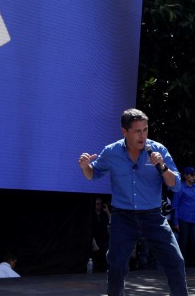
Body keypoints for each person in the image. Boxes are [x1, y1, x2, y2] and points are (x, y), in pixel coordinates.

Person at [77, 108, 187, 296]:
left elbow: (175, 185)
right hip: (123, 217)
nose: (142, 135)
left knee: (176, 262)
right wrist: (84, 167)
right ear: (124, 132)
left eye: (145, 130)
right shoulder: (111, 152)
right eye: (137, 131)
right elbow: (92, 174)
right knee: (117, 268)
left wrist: (162, 167)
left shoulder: (158, 150)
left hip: (153, 217)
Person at [92, 197, 111, 272]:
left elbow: (111, 222)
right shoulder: (92, 214)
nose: (99, 205)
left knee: (105, 258)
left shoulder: (104, 214)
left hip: (104, 239)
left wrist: (107, 212)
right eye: (97, 204)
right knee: (96, 258)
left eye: (100, 204)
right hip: (95, 239)